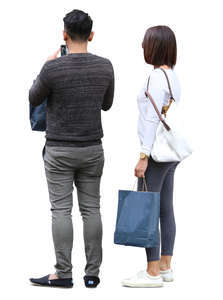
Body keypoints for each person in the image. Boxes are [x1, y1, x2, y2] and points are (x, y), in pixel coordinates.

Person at [29, 9, 114, 288]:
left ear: (64, 34)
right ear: (91, 35)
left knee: (61, 211)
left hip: (59, 151)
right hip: (92, 149)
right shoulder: (105, 66)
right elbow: (107, 104)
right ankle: (93, 275)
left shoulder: (52, 68)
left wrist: (45, 65)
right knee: (92, 209)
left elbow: (33, 97)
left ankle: (63, 274)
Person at [122, 25, 180, 288]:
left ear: (154, 47)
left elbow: (150, 119)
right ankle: (165, 266)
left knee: (148, 209)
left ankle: (152, 272)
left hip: (155, 152)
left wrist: (143, 155)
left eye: (145, 43)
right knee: (165, 209)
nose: (142, 47)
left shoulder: (155, 77)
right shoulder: (173, 76)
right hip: (172, 152)